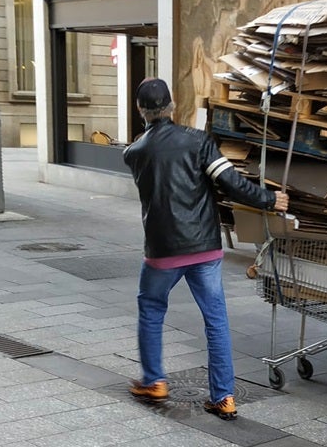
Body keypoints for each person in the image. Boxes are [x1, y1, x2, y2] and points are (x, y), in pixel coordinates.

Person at [123, 77, 289, 421]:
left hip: (162, 251)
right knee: (215, 320)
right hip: (204, 248)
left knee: (151, 308)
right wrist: (270, 199)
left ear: (140, 110)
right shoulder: (198, 142)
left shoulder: (134, 153)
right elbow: (232, 183)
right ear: (171, 106)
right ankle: (224, 397)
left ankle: (154, 382)